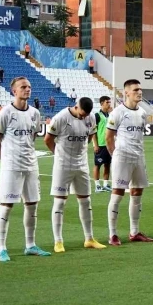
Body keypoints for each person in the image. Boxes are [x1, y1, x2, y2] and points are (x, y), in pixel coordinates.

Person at [0, 77, 49, 262]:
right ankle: (1, 248)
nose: (27, 89)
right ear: (14, 91)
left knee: (32, 205)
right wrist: (5, 160)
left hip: (31, 165)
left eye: (29, 87)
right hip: (11, 166)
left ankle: (30, 245)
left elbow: (32, 137)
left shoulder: (35, 113)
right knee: (6, 206)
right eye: (23, 87)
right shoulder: (5, 113)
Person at [44, 97, 106, 252]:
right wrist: (58, 154)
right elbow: (48, 139)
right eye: (82, 114)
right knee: (60, 202)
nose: (84, 117)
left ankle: (89, 238)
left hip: (81, 164)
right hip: (63, 165)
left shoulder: (90, 117)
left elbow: (90, 135)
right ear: (76, 107)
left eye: (86, 115)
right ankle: (58, 241)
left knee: (85, 201)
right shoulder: (61, 118)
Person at [106, 79, 153, 245]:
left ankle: (134, 232)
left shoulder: (142, 113)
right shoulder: (118, 112)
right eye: (135, 90)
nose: (139, 92)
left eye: (140, 90)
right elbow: (108, 137)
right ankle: (112, 234)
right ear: (126, 92)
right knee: (118, 194)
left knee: (137, 192)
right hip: (122, 157)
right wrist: (115, 156)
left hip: (139, 157)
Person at [93, 96, 113, 192]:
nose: (109, 104)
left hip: (108, 144)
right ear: (101, 103)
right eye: (107, 102)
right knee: (98, 165)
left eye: (109, 102)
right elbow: (93, 131)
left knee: (107, 164)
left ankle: (105, 184)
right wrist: (95, 145)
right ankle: (97, 185)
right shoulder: (97, 115)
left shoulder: (110, 115)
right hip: (100, 144)